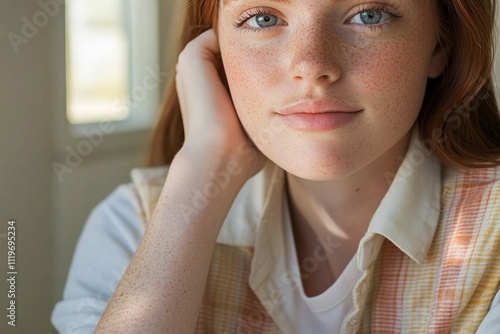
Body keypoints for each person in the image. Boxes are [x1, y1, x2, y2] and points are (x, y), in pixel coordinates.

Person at [52, 0, 500, 332]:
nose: (311, 66)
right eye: (263, 18)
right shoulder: (133, 226)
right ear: (215, 51)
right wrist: (203, 169)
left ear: (440, 43)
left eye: (368, 14)